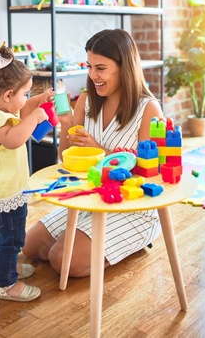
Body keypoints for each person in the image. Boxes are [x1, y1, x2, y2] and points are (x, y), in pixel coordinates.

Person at [23, 29, 163, 277]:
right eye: (89, 66)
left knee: (62, 260)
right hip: (91, 199)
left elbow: (150, 172)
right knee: (29, 246)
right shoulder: (88, 100)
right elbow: (65, 159)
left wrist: (99, 150)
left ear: (124, 67)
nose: (92, 75)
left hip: (131, 206)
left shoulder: (148, 109)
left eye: (100, 68)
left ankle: (133, 241)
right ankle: (80, 241)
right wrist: (65, 125)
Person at [0, 44, 54, 301]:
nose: (26, 99)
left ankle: (11, 267)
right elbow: (14, 139)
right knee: (12, 239)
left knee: (9, 237)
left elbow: (21, 109)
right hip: (4, 195)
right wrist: (35, 118)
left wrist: (37, 101)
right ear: (8, 95)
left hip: (1, 189)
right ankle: (7, 285)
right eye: (25, 93)